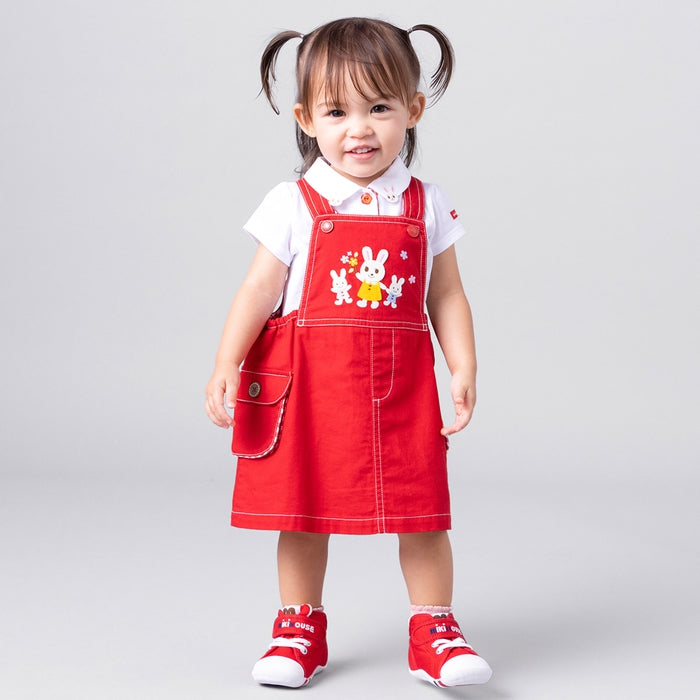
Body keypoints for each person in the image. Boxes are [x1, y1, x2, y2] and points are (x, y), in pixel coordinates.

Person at [205, 16, 492, 690]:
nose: (359, 129)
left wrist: (463, 365)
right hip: (312, 386)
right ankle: (298, 626)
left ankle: (433, 630)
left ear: (413, 109)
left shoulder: (426, 203)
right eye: (337, 112)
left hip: (400, 389)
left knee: (422, 511)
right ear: (306, 119)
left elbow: (446, 293)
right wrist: (225, 362)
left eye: (379, 108)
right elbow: (258, 289)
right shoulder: (292, 202)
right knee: (303, 513)